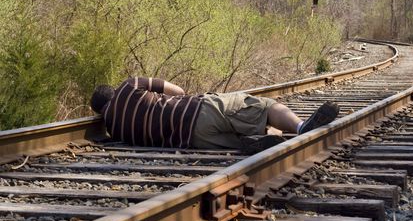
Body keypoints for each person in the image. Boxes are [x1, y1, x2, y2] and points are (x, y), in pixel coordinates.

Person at [90, 77, 339, 153]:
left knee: (239, 139)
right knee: (262, 106)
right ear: (111, 92)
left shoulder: (116, 130)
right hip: (197, 111)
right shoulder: (128, 86)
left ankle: (257, 140)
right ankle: (299, 128)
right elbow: (178, 90)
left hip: (192, 141)